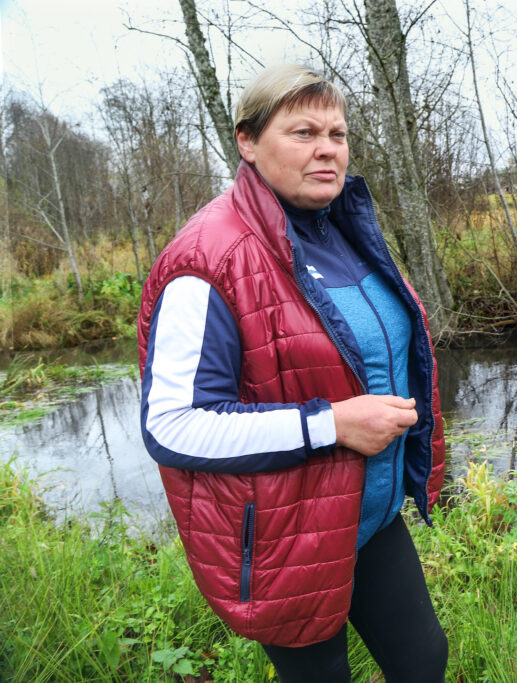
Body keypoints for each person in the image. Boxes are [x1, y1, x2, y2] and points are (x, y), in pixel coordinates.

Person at [137, 64, 447, 682]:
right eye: (303, 132)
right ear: (247, 142)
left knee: (423, 661)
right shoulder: (208, 258)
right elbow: (172, 427)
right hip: (287, 536)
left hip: (370, 516)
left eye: (337, 132)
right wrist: (328, 424)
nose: (327, 148)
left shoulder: (343, 227)